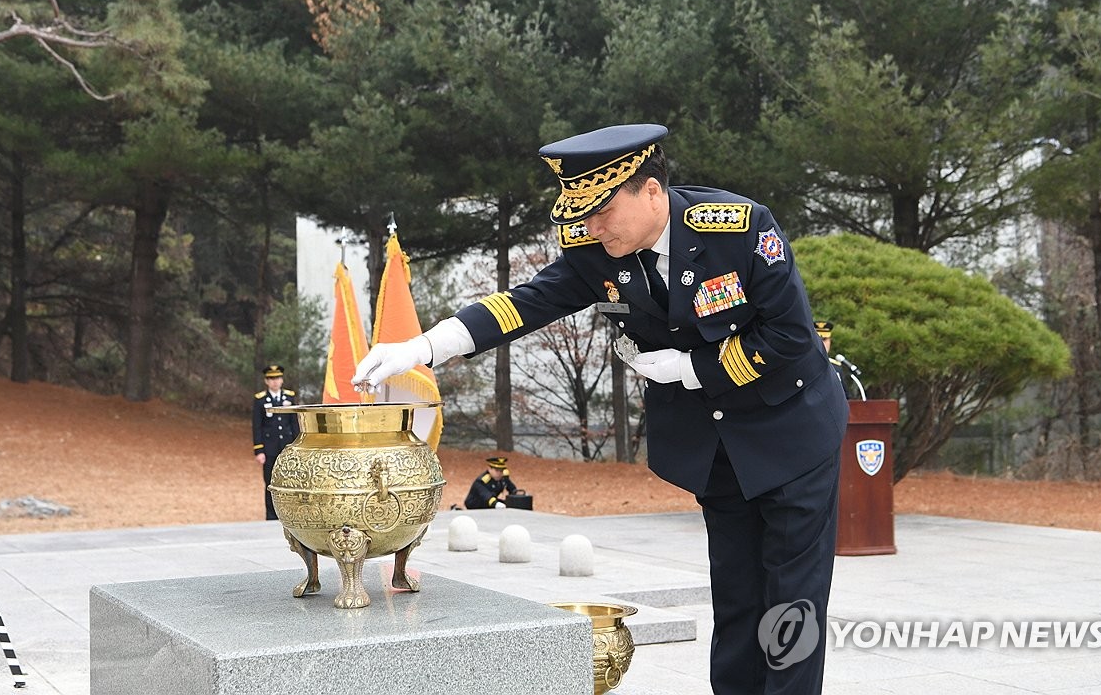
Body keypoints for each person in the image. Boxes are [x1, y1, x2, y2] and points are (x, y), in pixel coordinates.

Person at [353, 123, 848, 694]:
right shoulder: (599, 252)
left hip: (791, 435)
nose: (590, 227)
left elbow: (790, 338)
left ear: (652, 193)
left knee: (790, 600)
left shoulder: (740, 230)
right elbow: (523, 305)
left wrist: (690, 369)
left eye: (602, 210)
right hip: (718, 450)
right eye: (581, 215)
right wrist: (423, 347)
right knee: (737, 596)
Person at [252, 364, 300, 520]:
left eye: (278, 378)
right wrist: (259, 450)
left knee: (289, 481)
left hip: (286, 447)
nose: (275, 382)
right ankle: (271, 516)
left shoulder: (289, 397)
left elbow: (294, 423)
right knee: (270, 483)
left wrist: (297, 445)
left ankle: (289, 514)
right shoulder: (260, 400)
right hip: (269, 448)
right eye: (271, 379)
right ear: (266, 381)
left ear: (282, 379)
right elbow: (257, 426)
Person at [815, 320, 865, 400]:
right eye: (819, 339)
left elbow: (846, 397)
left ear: (830, 341)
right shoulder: (805, 365)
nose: (822, 343)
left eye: (825, 339)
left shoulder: (836, 367)